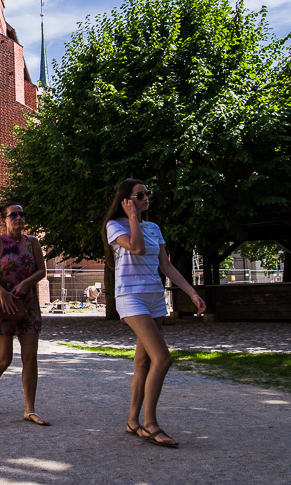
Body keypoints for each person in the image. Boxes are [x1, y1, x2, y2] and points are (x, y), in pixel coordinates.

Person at [104, 178, 207, 448]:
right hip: (131, 297)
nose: (146, 198)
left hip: (154, 298)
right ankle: (150, 424)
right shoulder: (115, 226)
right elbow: (136, 247)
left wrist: (191, 292)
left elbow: (167, 267)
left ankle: (132, 422)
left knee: (143, 362)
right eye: (139, 195)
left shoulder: (153, 227)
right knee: (163, 359)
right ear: (126, 200)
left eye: (146, 194)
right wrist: (132, 217)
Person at [0, 202, 49, 423]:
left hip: (27, 304)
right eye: (13, 215)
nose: (18, 217)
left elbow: (41, 271)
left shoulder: (33, 242)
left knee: (30, 357)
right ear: (4, 219)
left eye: (21, 214)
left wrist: (26, 283)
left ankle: (30, 409)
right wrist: (2, 293)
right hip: (2, 305)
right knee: (5, 358)